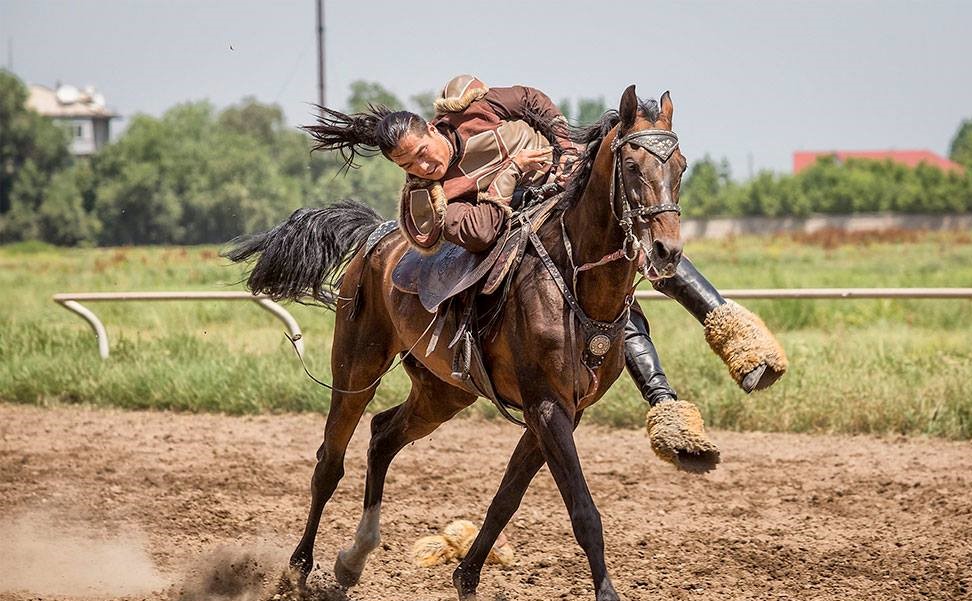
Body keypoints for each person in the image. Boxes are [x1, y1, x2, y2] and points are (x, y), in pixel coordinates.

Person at [304, 75, 787, 447]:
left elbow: (529, 99)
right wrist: (511, 174)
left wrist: (562, 141)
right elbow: (482, 232)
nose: (424, 166)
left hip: (557, 182)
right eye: (410, 166)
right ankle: (663, 403)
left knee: (635, 233)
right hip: (504, 224)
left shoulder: (476, 110)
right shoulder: (426, 203)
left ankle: (734, 334)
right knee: (604, 271)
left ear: (432, 130)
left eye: (423, 153)